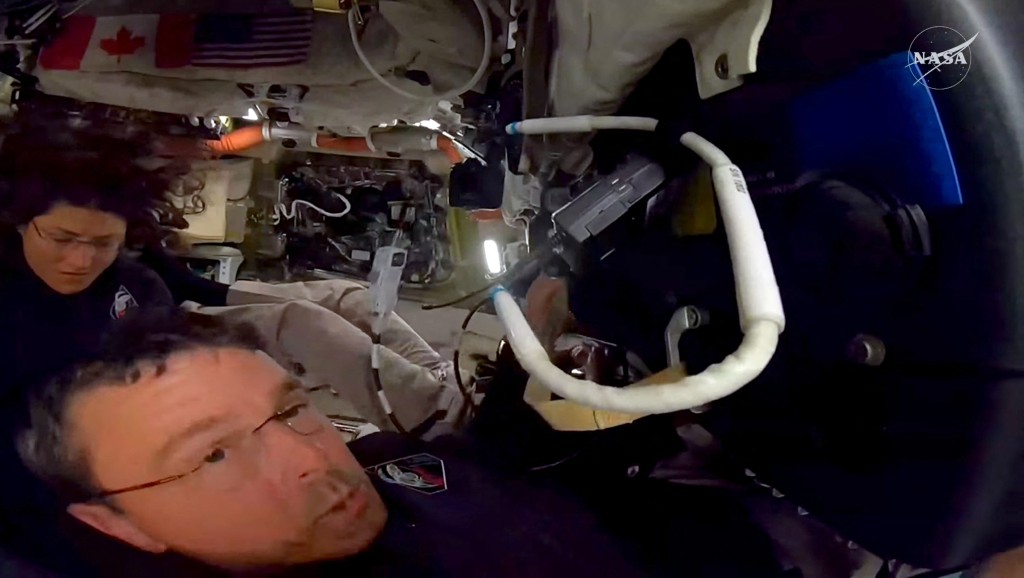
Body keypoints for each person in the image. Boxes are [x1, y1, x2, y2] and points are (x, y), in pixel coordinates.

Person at [16, 310, 786, 577]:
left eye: (291, 413)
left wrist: (536, 361)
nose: (312, 463)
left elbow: (480, 469)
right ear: (112, 522)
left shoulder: (387, 466)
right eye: (213, 455)